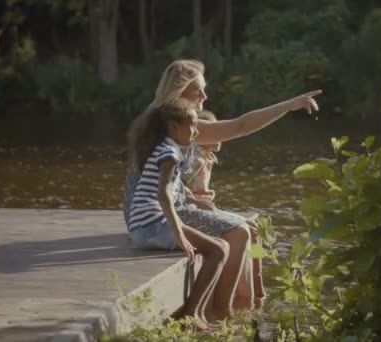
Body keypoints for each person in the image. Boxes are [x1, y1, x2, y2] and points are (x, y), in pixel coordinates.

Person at [125, 59, 321, 320]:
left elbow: (160, 172)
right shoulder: (173, 121)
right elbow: (241, 126)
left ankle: (253, 300)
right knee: (239, 233)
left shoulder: (161, 118)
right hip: (157, 212)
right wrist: (289, 105)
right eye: (199, 91)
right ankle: (223, 312)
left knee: (253, 228)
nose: (205, 97)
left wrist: (190, 195)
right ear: (178, 93)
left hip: (160, 204)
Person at [127, 104, 229, 330]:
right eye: (192, 125)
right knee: (219, 250)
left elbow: (171, 190)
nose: (196, 131)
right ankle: (190, 315)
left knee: (219, 246)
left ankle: (197, 313)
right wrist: (179, 232)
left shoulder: (162, 147)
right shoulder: (169, 152)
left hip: (142, 225)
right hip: (152, 225)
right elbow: (162, 194)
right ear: (173, 126)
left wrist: (191, 201)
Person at [181, 109, 266, 303]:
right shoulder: (195, 156)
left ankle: (258, 287)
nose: (221, 136)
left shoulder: (206, 154)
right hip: (196, 210)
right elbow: (177, 183)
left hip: (206, 207)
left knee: (256, 231)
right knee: (249, 232)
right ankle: (248, 296)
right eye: (215, 131)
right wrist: (193, 200)